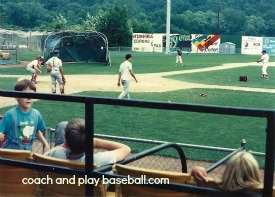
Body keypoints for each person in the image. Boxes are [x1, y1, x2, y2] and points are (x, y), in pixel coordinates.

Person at [44, 118, 131, 166]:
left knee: (62, 124)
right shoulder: (96, 160)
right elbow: (126, 149)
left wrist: (67, 142)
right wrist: (94, 142)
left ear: (66, 142)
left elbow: (48, 154)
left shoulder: (55, 154)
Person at [0, 79, 50, 151]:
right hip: (10, 155)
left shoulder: (36, 114)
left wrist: (45, 144)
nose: (29, 98)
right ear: (17, 97)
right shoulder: (10, 115)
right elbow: (1, 130)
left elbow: (37, 131)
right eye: (25, 95)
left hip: (27, 154)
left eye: (32, 95)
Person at [191, 151, 261, 192]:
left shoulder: (209, 188)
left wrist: (196, 169)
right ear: (254, 173)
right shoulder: (265, 192)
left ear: (228, 172)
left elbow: (190, 182)